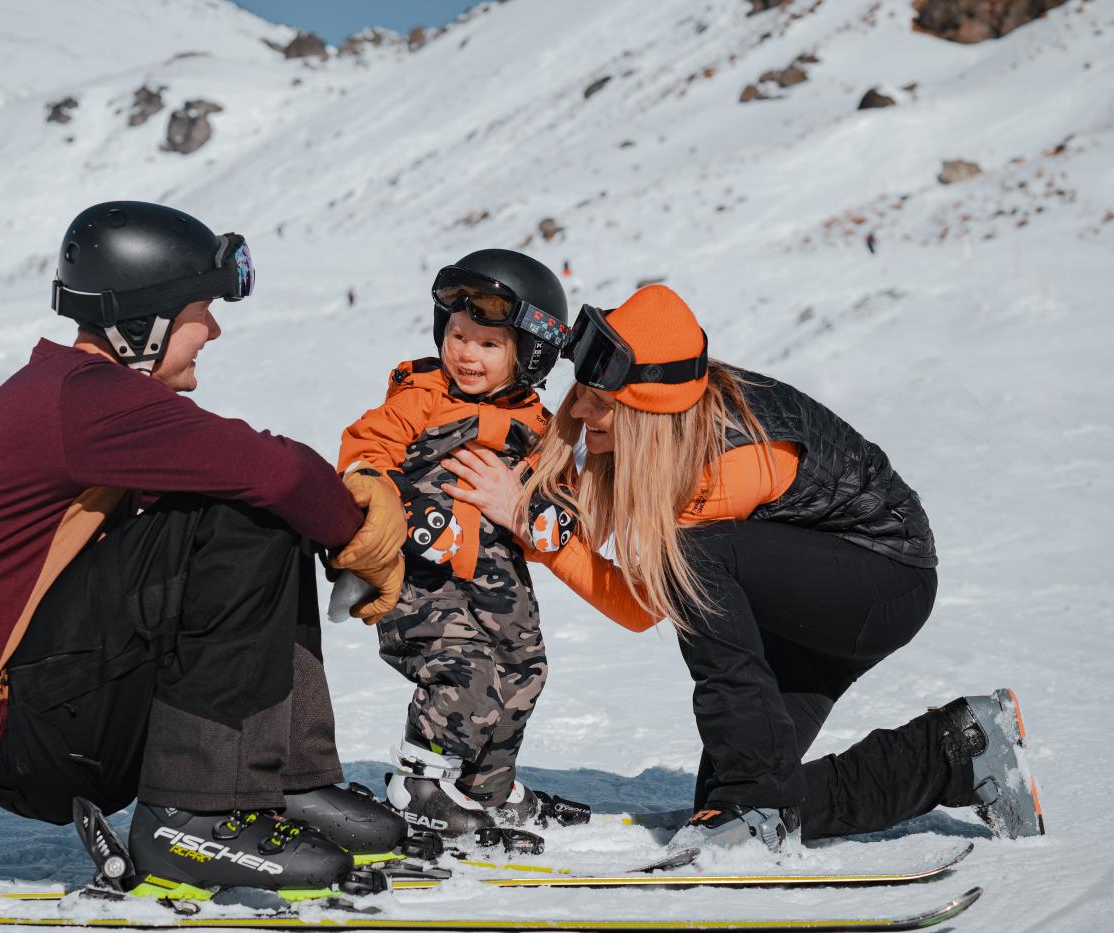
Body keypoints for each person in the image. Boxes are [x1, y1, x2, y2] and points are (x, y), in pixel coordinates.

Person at [0, 201, 411, 899]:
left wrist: (342, 504)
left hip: (48, 709)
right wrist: (367, 537)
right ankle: (196, 818)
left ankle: (273, 781)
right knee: (249, 506)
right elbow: (278, 472)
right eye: (199, 309)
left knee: (251, 500)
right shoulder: (82, 401)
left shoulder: (77, 393)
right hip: (23, 738)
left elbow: (276, 478)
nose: (213, 327)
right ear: (141, 321)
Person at [440, 284, 1045, 850]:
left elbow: (642, 604)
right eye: (583, 395)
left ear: (650, 417)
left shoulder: (728, 463)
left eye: (603, 406)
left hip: (882, 581)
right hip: (801, 595)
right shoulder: (660, 437)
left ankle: (756, 805)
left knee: (698, 576)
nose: (581, 414)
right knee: (734, 797)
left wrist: (534, 527)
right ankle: (960, 752)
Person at [336, 249, 587, 844]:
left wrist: (545, 518)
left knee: (524, 671)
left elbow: (566, 498)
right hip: (421, 576)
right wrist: (404, 504)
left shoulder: (542, 427)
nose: (465, 354)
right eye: (457, 335)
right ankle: (421, 786)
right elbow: (363, 454)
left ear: (530, 353)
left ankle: (484, 790)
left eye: (488, 344)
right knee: (463, 669)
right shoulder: (420, 398)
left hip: (498, 579)